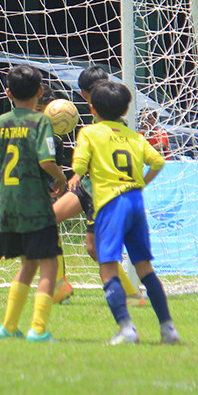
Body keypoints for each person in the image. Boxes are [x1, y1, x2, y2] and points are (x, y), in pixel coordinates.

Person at [71, 80, 180, 346]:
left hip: (111, 203)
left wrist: (79, 173)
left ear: (92, 108)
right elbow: (159, 161)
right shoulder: (135, 137)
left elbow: (80, 164)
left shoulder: (89, 133)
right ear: (126, 109)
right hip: (135, 201)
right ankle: (168, 328)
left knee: (107, 267)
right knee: (144, 267)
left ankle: (127, 329)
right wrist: (142, 182)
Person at [0, 84, 75, 304]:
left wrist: (54, 185)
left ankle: (60, 288)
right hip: (14, 200)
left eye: (42, 112)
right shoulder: (8, 127)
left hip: (38, 199)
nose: (37, 115)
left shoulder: (52, 139)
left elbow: (50, 166)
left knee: (49, 249)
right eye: (37, 111)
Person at [0, 65, 67, 343]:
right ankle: (38, 330)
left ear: (8, 93)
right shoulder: (41, 122)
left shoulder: (1, 122)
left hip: (9, 207)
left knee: (28, 264)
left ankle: (8, 327)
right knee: (49, 266)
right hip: (35, 206)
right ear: (41, 92)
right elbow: (46, 161)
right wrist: (61, 178)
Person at [50, 66, 146, 306]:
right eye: (96, 89)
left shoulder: (113, 121)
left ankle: (132, 294)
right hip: (86, 186)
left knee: (94, 250)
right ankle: (60, 284)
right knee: (46, 220)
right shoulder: (96, 118)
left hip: (101, 193)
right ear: (85, 95)